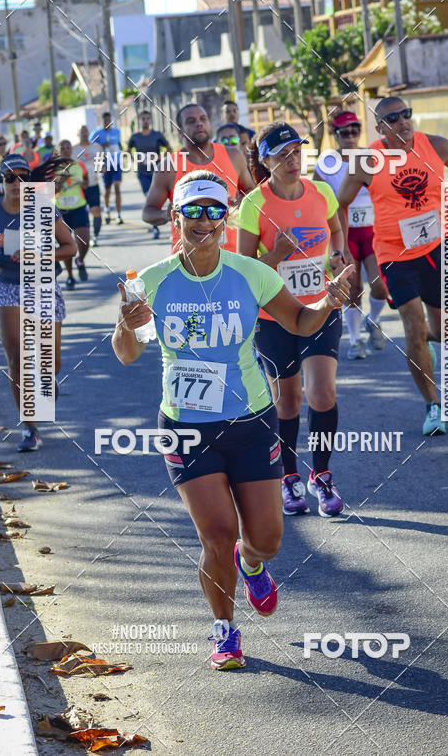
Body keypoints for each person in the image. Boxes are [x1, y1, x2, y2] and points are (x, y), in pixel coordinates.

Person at [112, 169, 353, 669]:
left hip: (250, 421)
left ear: (225, 216)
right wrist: (126, 325)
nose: (204, 220)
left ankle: (252, 563)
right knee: (216, 536)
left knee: (265, 538)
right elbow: (127, 355)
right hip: (185, 426)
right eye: (193, 211)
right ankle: (224, 629)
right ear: (176, 217)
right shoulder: (150, 281)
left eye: (214, 210)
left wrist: (328, 302)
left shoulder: (250, 273)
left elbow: (299, 321)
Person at [238, 122, 353, 518]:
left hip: (321, 307)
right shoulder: (254, 204)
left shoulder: (321, 192)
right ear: (266, 160)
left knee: (322, 393)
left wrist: (339, 257)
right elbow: (243, 270)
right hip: (276, 315)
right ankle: (289, 478)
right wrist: (277, 257)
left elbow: (337, 230)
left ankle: (322, 476)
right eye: (282, 155)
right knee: (287, 402)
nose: (292, 160)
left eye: (297, 152)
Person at [338, 97, 448, 436]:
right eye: (392, 118)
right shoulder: (367, 161)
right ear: (380, 128)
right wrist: (342, 249)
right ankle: (433, 405)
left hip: (436, 249)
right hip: (395, 255)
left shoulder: (435, 145)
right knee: (413, 324)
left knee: (443, 332)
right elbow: (340, 203)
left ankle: (425, 346)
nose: (402, 122)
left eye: (406, 114)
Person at [0, 154, 76, 450]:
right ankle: (29, 427)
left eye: (22, 178)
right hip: (7, 287)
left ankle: (45, 381)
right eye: (9, 179)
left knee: (50, 363)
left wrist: (41, 256)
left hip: (43, 284)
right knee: (16, 359)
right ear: (0, 183)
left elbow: (70, 248)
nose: (16, 184)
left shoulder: (44, 209)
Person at [314, 111, 387, 359]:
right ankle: (355, 340)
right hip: (343, 231)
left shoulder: (370, 158)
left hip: (373, 230)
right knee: (352, 287)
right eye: (344, 132)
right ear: (335, 135)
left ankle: (373, 320)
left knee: (380, 285)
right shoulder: (326, 163)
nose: (351, 136)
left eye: (355, 130)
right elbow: (316, 195)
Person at [142, 103, 253, 253]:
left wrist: (238, 205)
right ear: (180, 131)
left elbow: (250, 191)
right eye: (191, 121)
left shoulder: (233, 155)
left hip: (230, 255)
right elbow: (148, 212)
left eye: (203, 119)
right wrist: (165, 214)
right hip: (187, 260)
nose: (199, 123)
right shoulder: (169, 166)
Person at [127, 109, 171, 239]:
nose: (145, 121)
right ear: (139, 121)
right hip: (143, 173)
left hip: (157, 172)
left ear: (150, 120)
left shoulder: (157, 135)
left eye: (147, 118)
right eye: (143, 119)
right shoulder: (135, 137)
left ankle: (167, 223)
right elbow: (128, 152)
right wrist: (135, 161)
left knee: (161, 199)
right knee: (149, 198)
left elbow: (169, 150)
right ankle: (155, 227)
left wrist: (157, 157)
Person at [54, 139, 90, 288]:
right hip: (61, 210)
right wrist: (61, 181)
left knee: (84, 241)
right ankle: (70, 275)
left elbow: (86, 181)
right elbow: (50, 190)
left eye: (69, 147)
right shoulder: (52, 168)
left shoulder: (79, 165)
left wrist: (84, 184)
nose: (66, 150)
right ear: (58, 151)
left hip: (79, 207)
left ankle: (80, 260)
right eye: (63, 147)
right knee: (66, 246)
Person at [91, 112, 123, 224]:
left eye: (109, 120)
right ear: (102, 121)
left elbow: (119, 144)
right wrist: (102, 145)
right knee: (107, 190)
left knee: (117, 188)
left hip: (117, 164)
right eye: (105, 121)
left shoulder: (117, 131)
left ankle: (118, 214)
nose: (107, 123)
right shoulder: (97, 133)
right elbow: (90, 146)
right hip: (105, 165)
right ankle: (107, 210)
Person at [73, 125, 103, 246]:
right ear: (78, 134)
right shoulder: (74, 150)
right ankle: (82, 236)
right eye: (82, 131)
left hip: (93, 184)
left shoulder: (96, 147)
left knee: (95, 210)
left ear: (88, 133)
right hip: (78, 187)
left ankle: (95, 236)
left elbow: (102, 163)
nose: (84, 133)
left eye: (86, 131)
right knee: (81, 213)